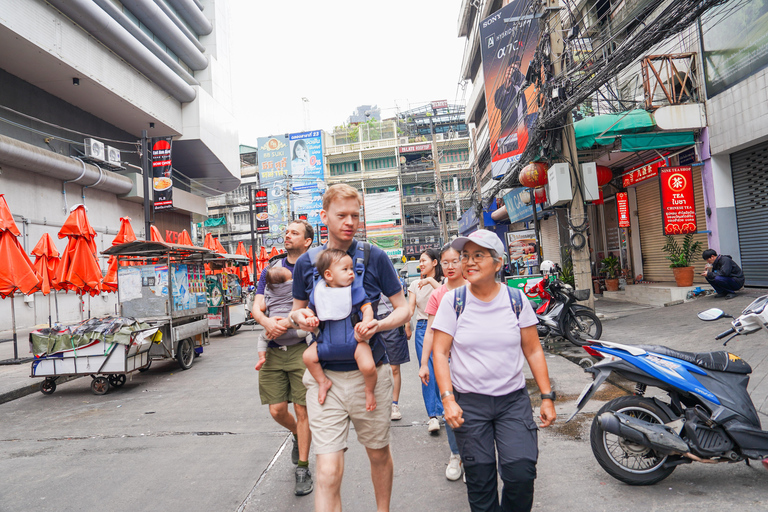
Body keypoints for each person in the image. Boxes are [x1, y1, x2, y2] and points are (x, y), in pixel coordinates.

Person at [291, 184, 409, 512]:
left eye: (355, 215)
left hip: (369, 373)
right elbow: (297, 312)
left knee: (378, 453)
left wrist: (380, 324)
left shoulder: (375, 256)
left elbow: (403, 309)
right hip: (323, 379)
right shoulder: (307, 263)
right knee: (328, 471)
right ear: (324, 216)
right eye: (341, 215)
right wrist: (300, 317)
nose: (349, 221)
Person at [431, 229, 556, 512]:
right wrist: (448, 399)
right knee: (480, 480)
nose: (469, 262)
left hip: (512, 402)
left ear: (498, 263)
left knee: (521, 474)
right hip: (470, 405)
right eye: (465, 256)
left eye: (478, 255)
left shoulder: (515, 300)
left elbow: (533, 350)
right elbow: (440, 352)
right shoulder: (454, 302)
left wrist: (547, 396)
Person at [251, 220, 315, 496]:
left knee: (302, 410)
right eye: (286, 231)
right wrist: (267, 323)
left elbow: (315, 307)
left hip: (301, 349)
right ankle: (297, 436)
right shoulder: (271, 269)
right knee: (277, 410)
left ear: (308, 241)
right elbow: (257, 305)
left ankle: (303, 466)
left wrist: (287, 323)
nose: (287, 235)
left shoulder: (314, 268)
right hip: (274, 350)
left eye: (294, 232)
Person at [292, 249, 378, 410]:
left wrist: (366, 322)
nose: (351, 273)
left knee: (368, 367)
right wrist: (309, 317)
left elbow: (367, 309)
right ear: (329, 275)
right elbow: (310, 310)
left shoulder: (355, 291)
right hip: (325, 343)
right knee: (308, 357)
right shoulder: (319, 293)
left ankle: (369, 390)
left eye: (351, 268)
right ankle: (323, 381)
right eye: (345, 269)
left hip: (354, 342)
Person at [420, 244, 465, 481]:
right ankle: (456, 455)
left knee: (473, 410)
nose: (449, 267)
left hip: (472, 363)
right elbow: (429, 331)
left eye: (454, 261)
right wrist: (423, 364)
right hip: (446, 363)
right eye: (445, 262)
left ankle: (473, 458)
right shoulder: (439, 294)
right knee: (450, 408)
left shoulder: (475, 288)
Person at [407, 248, 444, 434]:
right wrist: (406, 323)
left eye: (423, 261)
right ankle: (433, 416)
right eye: (420, 262)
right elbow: (411, 307)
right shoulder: (415, 284)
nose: (420, 264)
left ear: (435, 263)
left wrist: (430, 281)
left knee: (446, 368)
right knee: (427, 371)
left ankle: (446, 407)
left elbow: (448, 295)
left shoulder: (445, 282)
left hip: (445, 328)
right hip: (423, 328)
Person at [378, 293, 410, 421]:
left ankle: (394, 405)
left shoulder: (389, 276)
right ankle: (380, 405)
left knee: (394, 368)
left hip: (393, 321)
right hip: (371, 322)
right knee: (374, 368)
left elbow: (402, 302)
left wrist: (407, 324)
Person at [494, 57, 527, 132]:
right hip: (509, 135)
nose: (516, 69)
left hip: (524, 133)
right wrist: (507, 83)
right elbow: (498, 104)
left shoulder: (521, 87)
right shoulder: (505, 89)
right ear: (508, 70)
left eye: (518, 66)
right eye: (514, 67)